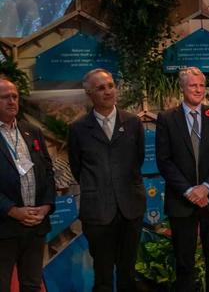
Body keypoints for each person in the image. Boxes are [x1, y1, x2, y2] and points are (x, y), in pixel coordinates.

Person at [68, 69, 146, 292]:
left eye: (110, 85)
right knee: (102, 276)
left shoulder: (132, 123)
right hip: (97, 213)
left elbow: (137, 160)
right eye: (101, 88)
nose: (108, 91)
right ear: (89, 93)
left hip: (130, 209)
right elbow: (77, 168)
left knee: (127, 273)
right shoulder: (78, 129)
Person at [156, 67, 209, 292]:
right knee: (184, 264)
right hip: (182, 203)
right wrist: (189, 191)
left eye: (201, 85)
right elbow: (164, 160)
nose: (198, 90)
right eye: (192, 85)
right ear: (182, 88)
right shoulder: (167, 118)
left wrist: (206, 187)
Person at [0, 78, 56, 291]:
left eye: (15, 96)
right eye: (5, 97)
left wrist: (47, 205)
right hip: (4, 226)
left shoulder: (31, 131)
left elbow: (49, 172)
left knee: (32, 285)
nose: (12, 101)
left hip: (35, 225)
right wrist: (12, 210)